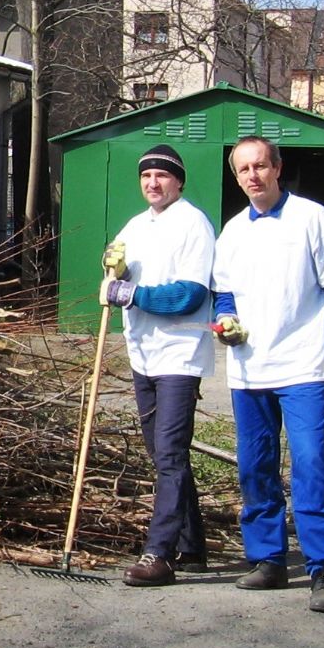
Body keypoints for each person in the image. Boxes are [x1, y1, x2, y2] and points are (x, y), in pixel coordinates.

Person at [211, 135, 324, 613]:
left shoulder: (312, 219)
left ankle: (322, 569)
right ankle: (268, 560)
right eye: (243, 170)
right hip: (249, 370)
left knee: (310, 463)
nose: (253, 176)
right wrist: (226, 324)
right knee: (255, 467)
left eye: (260, 166)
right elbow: (224, 295)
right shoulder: (233, 233)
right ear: (236, 177)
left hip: (302, 365)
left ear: (277, 168)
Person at [99, 143, 215, 588]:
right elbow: (118, 271)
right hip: (142, 352)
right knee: (160, 453)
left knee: (169, 453)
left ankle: (160, 553)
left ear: (179, 181)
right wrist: (115, 271)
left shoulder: (193, 225)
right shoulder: (136, 224)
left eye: (162, 176)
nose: (153, 183)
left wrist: (136, 295)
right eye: (146, 175)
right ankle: (193, 546)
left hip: (179, 354)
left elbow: (190, 294)